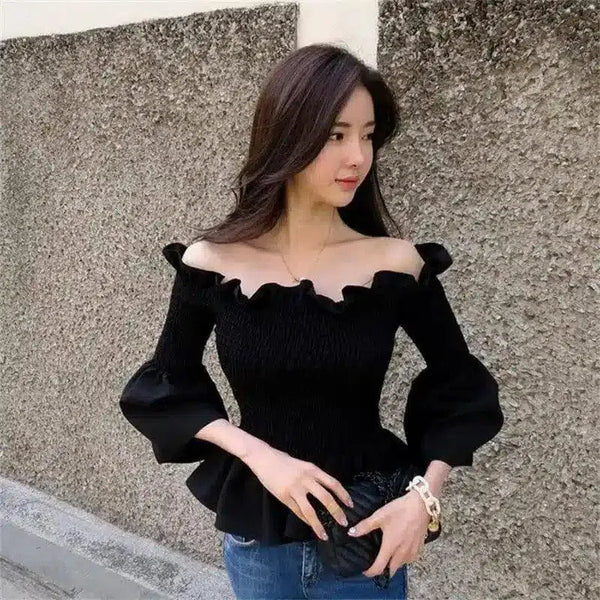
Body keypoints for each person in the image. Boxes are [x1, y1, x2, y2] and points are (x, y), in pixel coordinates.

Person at [119, 43, 504, 599]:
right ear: (288, 136)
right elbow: (165, 387)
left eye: (368, 136)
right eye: (336, 135)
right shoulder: (211, 264)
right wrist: (260, 455)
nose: (358, 157)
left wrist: (423, 499)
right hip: (259, 541)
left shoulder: (395, 264)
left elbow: (461, 388)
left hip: (366, 539)